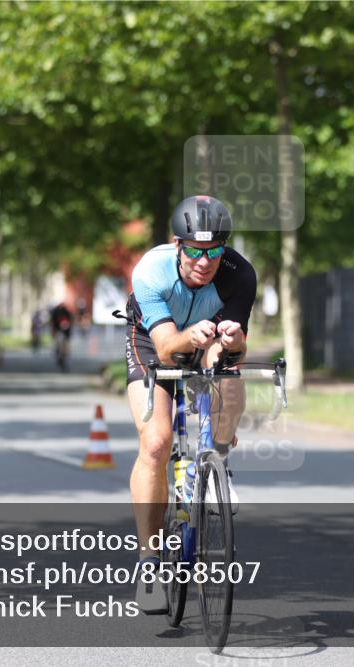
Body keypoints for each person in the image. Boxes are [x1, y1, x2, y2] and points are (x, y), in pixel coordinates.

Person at [123, 195, 256, 614]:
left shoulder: (239, 275)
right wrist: (191, 337)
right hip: (153, 339)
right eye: (196, 251)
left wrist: (232, 342)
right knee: (157, 442)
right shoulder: (150, 271)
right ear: (177, 245)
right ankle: (148, 562)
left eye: (214, 250)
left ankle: (217, 458)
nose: (205, 260)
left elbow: (234, 345)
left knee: (230, 368)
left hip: (207, 336)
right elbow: (165, 349)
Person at [49, 301, 74, 371]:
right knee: (58, 344)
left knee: (65, 347)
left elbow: (71, 321)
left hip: (66, 333)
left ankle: (64, 358)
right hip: (58, 332)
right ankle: (58, 355)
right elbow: (53, 323)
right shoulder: (55, 312)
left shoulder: (67, 312)